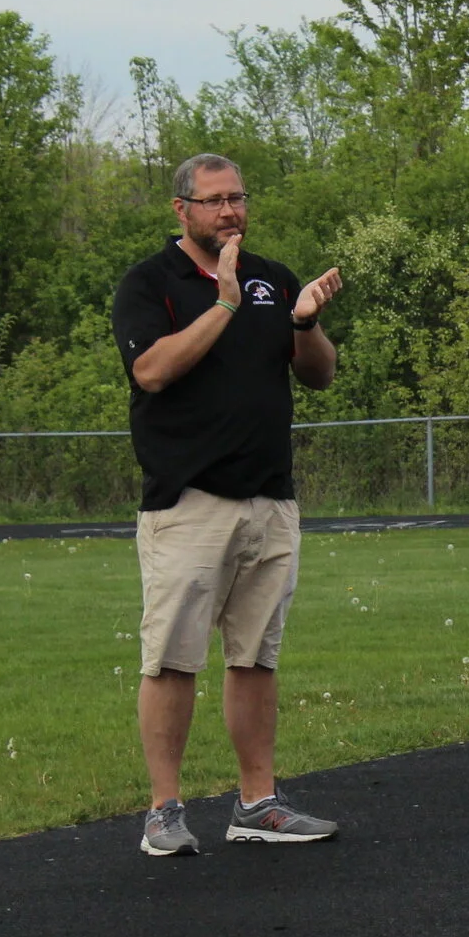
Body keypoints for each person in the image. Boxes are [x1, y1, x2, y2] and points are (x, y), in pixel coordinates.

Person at [111, 152, 344, 852]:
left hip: (269, 499)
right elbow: (152, 370)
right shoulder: (151, 282)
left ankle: (257, 803)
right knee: (172, 659)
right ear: (181, 209)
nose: (230, 211)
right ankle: (163, 812)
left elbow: (320, 375)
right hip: (188, 502)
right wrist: (224, 303)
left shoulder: (274, 277)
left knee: (256, 657)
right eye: (214, 200)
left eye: (237, 197)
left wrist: (304, 323)